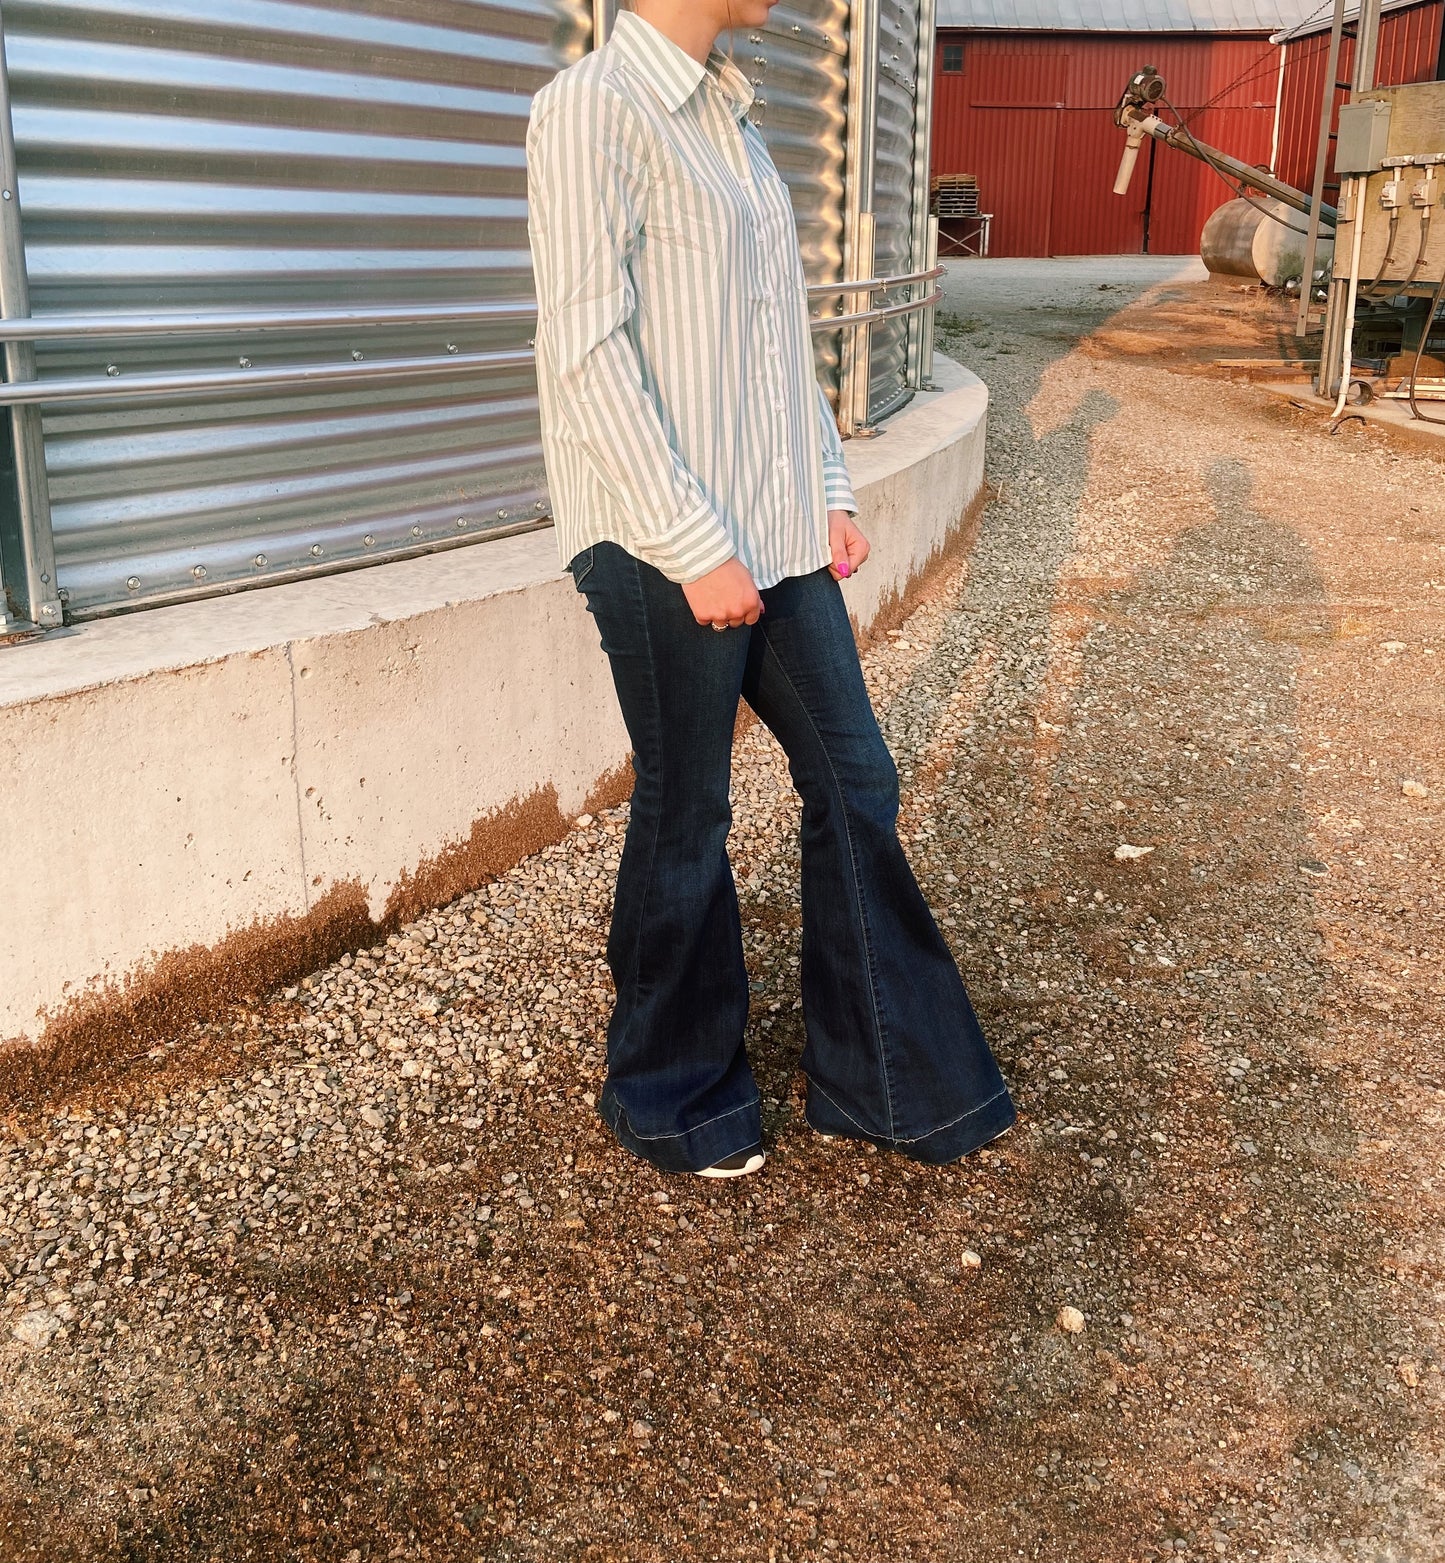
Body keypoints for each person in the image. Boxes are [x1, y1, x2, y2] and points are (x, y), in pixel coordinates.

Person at [525, 0, 1014, 1178]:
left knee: (856, 777)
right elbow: (586, 353)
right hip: (656, 536)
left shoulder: (735, 122)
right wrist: (695, 544)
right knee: (687, 808)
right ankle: (667, 1091)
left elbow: (773, 347)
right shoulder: (589, 110)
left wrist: (827, 485)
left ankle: (887, 1077)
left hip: (777, 525)